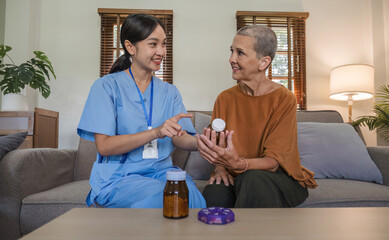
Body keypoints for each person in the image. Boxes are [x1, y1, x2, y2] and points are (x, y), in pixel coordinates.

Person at [77, 14, 206, 208]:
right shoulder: (106, 87)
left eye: (164, 44)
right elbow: (104, 146)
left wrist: (206, 142)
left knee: (193, 197)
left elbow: (179, 137)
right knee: (163, 199)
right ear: (130, 47)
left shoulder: (169, 92)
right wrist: (156, 132)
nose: (161, 51)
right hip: (119, 176)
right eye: (153, 44)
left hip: (162, 172)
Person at [196, 25, 317, 208]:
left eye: (240, 53)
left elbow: (273, 163)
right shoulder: (225, 98)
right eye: (231, 51)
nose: (231, 59)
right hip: (238, 176)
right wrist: (220, 168)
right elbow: (218, 148)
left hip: (278, 178)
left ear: (263, 62)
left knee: (252, 179)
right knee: (215, 191)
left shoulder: (284, 99)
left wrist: (237, 164)